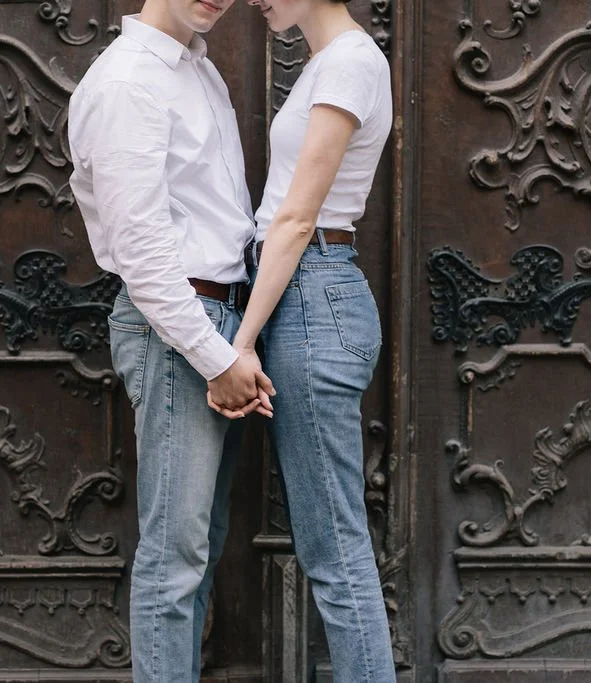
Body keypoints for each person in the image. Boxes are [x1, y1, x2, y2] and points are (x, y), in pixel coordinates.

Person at [68, 0, 275, 680]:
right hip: (179, 330)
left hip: (221, 324)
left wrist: (237, 341)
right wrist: (217, 357)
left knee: (201, 545)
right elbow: (143, 252)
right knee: (174, 555)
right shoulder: (129, 80)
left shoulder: (200, 72)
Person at [209, 0, 397, 680]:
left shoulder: (349, 61)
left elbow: (294, 216)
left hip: (311, 293)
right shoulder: (328, 63)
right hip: (304, 292)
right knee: (331, 544)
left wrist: (242, 341)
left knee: (335, 548)